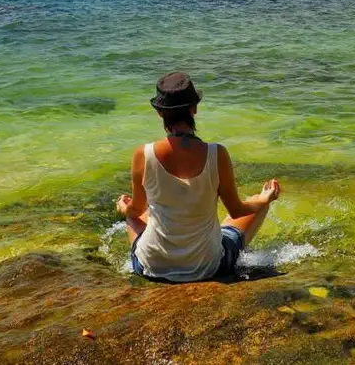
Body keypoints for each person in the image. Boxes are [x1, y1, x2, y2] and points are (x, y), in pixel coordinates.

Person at [116, 72, 281, 282]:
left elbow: (137, 209)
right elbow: (237, 210)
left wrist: (124, 208)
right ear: (194, 109)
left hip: (152, 266)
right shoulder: (216, 154)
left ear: (159, 113)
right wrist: (264, 199)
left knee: (135, 215)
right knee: (257, 203)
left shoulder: (143, 154)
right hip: (208, 266)